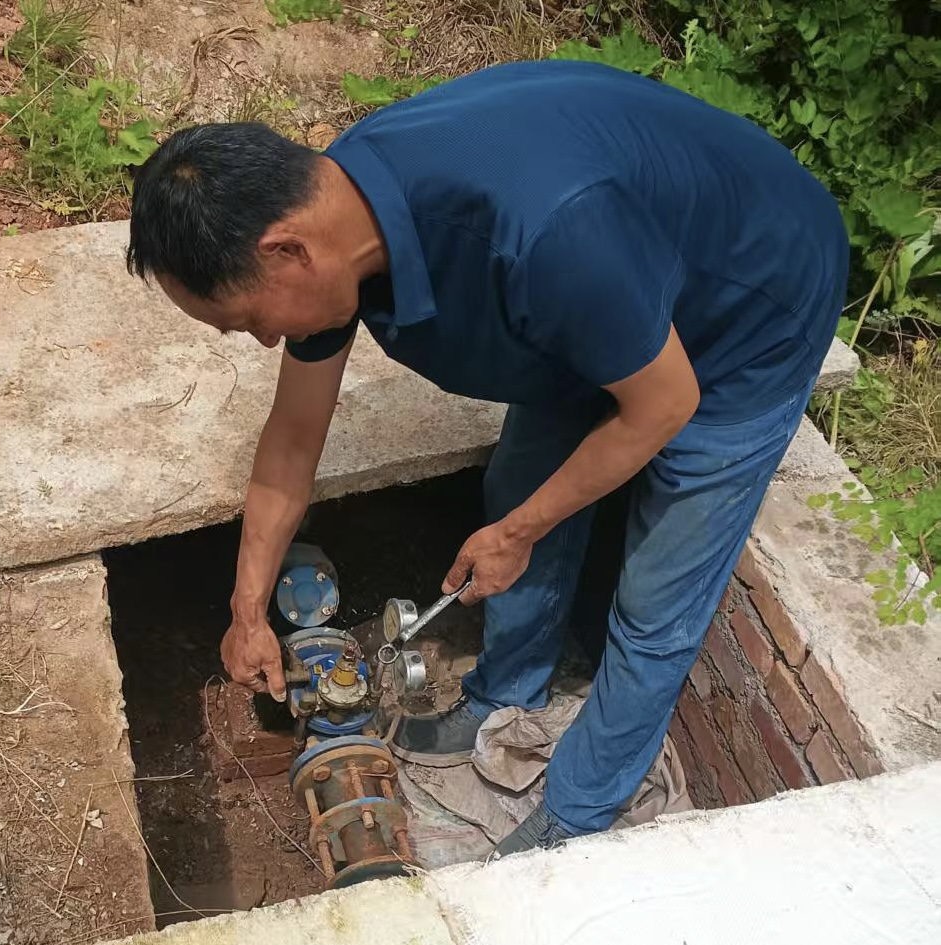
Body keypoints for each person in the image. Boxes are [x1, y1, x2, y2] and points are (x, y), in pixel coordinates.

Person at [124, 60, 849, 853]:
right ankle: (508, 690)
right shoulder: (345, 219)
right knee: (519, 483)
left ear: (287, 250)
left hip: (749, 310)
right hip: (607, 295)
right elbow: (293, 440)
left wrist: (519, 532)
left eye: (247, 321)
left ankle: (580, 811)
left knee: (655, 597)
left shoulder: (541, 234)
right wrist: (246, 611)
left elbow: (663, 404)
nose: (265, 341)